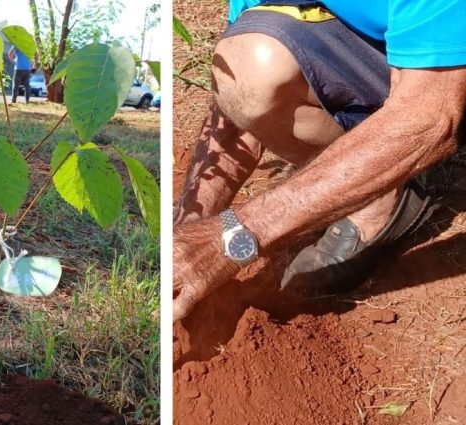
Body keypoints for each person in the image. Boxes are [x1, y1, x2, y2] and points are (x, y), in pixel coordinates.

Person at [173, 0, 466, 321]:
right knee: (245, 61)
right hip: (387, 49)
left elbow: (430, 118)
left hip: (446, 74)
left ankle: (379, 202)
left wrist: (231, 238)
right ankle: (374, 173)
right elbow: (230, 109)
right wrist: (189, 233)